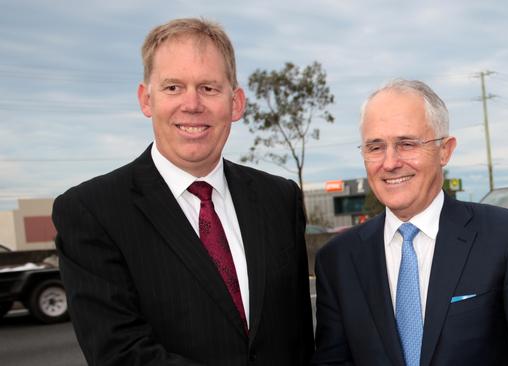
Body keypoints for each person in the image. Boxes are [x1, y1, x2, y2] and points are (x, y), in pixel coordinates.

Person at [52, 18, 313, 366]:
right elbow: (119, 354)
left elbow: (299, 339)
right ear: (147, 99)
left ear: (235, 103)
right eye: (173, 87)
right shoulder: (91, 212)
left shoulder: (279, 199)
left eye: (208, 88)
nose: (192, 104)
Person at [311, 79, 508, 365]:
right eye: (375, 147)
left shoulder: (505, 239)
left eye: (407, 143)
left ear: (445, 150)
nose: (389, 163)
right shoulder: (338, 260)